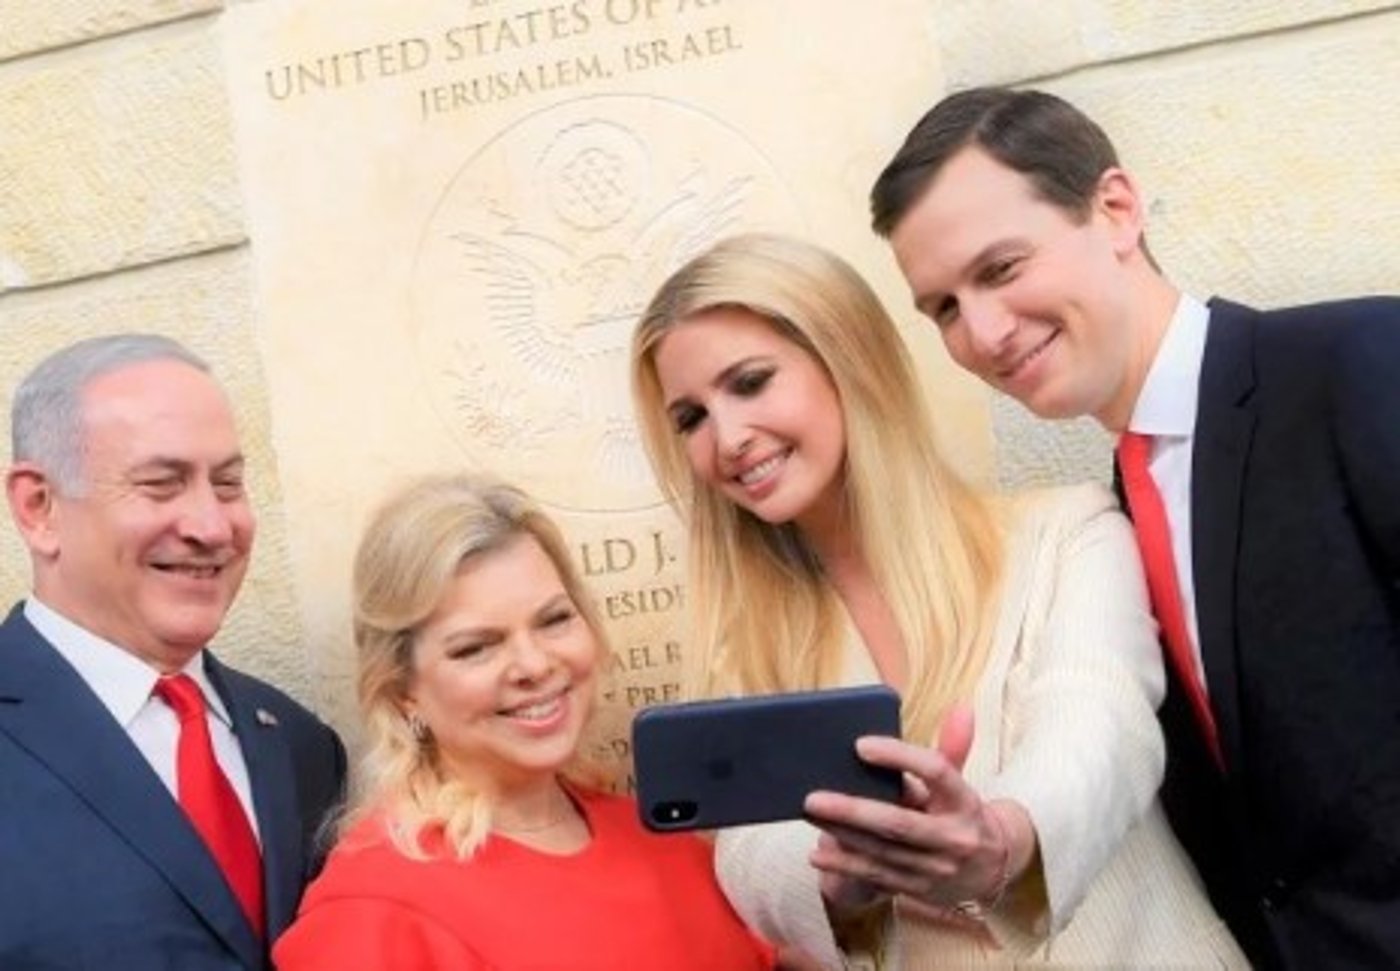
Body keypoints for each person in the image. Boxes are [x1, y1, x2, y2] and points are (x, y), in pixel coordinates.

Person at [870, 85, 1400, 970]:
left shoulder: (1359, 364)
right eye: (946, 309)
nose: (984, 334)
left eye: (1001, 269)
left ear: (1116, 210)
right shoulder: (1114, 510)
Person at [629, 233, 1246, 968]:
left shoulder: (1068, 532)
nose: (727, 438)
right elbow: (749, 852)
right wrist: (835, 880)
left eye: (751, 382)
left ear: (848, 358)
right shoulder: (745, 645)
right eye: (691, 418)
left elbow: (1101, 724)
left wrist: (1002, 838)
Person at [272, 473, 778, 971]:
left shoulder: (665, 841)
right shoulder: (372, 912)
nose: (534, 665)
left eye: (554, 619)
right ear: (402, 690)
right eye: (475, 648)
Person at [0, 334, 346, 970]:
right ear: (39, 508)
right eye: (162, 485)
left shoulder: (301, 746)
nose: (212, 527)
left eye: (228, 484)